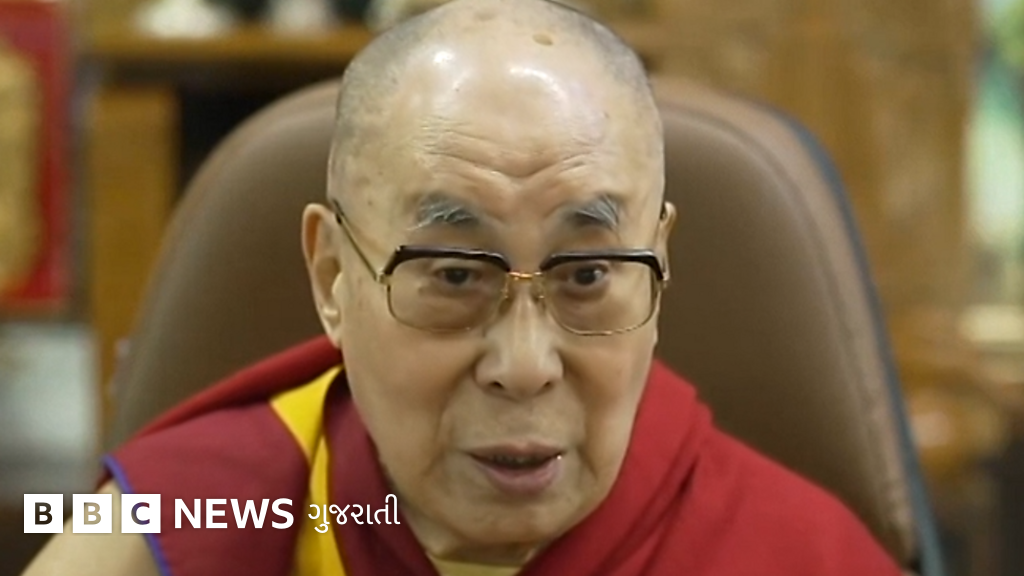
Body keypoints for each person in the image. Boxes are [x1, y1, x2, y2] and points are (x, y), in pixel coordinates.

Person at [24, 0, 905, 574]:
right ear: (333, 276)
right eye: (453, 274)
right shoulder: (186, 523)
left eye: (587, 274)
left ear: (659, 267)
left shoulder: (798, 554)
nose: (524, 367)